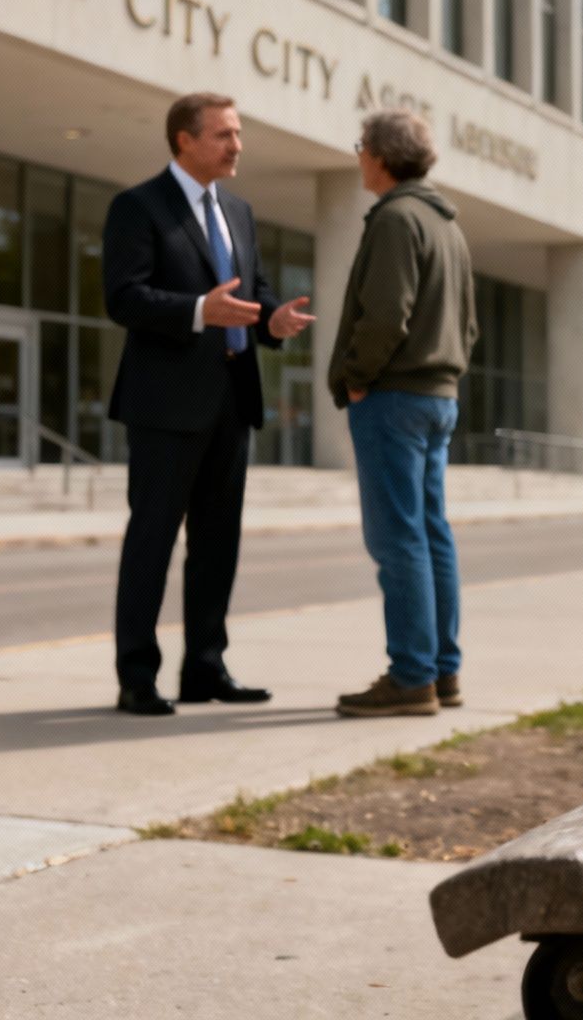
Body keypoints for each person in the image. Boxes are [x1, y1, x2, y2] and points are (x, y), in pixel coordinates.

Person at [103, 92, 315, 716]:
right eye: (223, 134)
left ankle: (205, 667)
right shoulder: (138, 207)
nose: (236, 145)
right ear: (183, 140)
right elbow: (124, 298)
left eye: (238, 133)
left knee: (217, 545)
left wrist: (272, 321)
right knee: (153, 542)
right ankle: (137, 675)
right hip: (165, 408)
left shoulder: (241, 212)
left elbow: (255, 294)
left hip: (231, 401)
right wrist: (199, 311)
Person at [329, 109, 478, 718]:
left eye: (361, 146)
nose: (359, 156)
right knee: (432, 535)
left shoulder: (396, 218)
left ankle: (412, 676)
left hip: (394, 396)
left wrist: (358, 378)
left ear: (382, 157)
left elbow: (387, 315)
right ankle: (442, 673)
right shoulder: (447, 224)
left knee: (399, 539)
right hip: (437, 396)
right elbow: (468, 323)